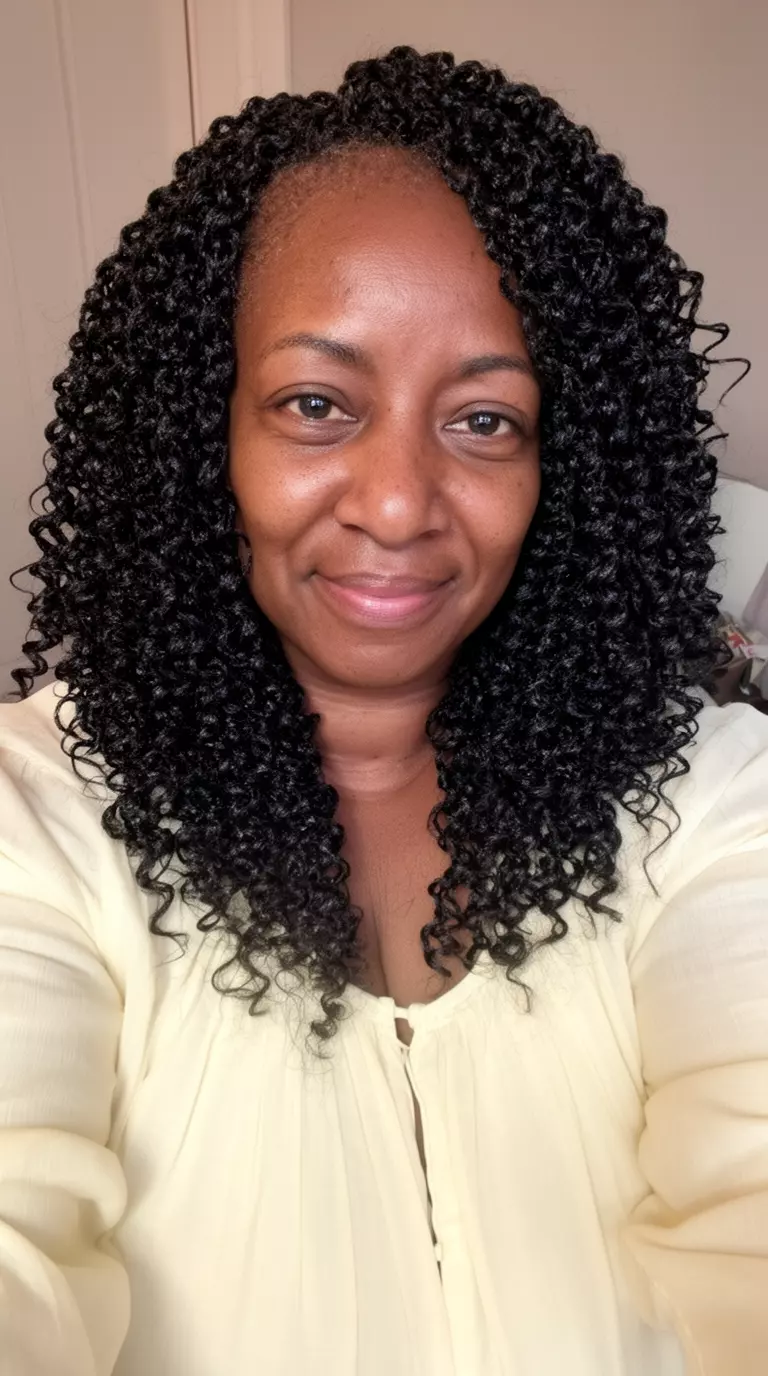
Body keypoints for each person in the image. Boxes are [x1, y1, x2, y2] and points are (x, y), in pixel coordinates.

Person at [0, 44, 766, 1376]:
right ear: (203, 432)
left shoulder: (703, 791)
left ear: (563, 470)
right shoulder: (41, 819)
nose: (401, 502)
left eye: (484, 421)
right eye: (314, 404)